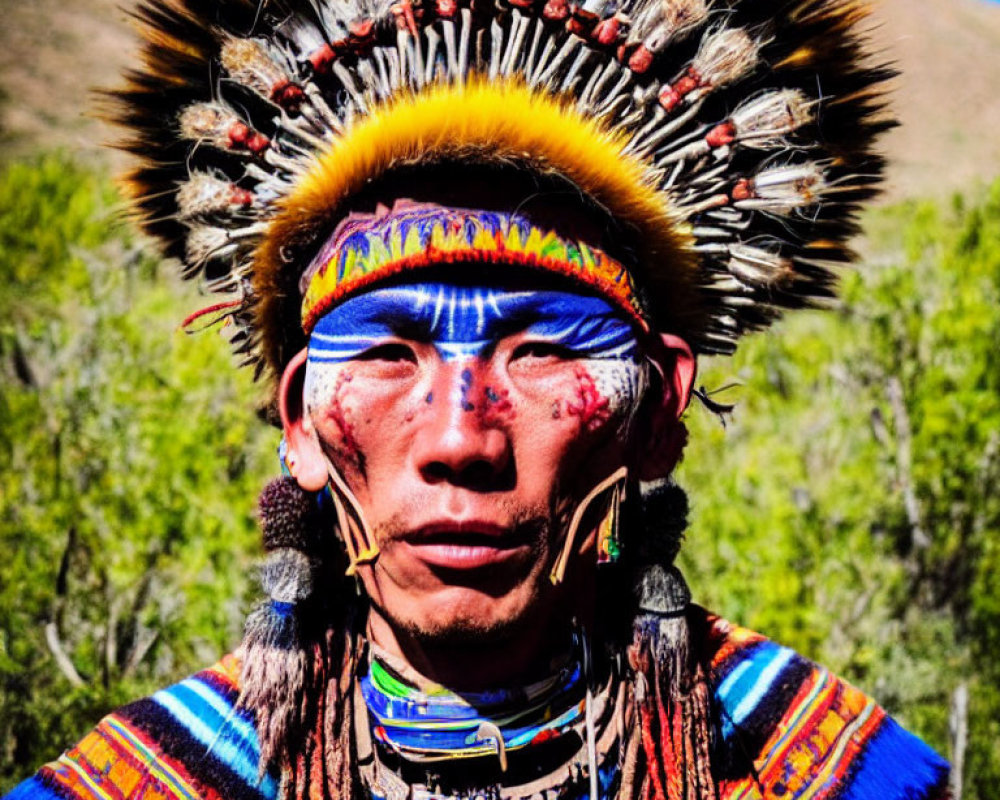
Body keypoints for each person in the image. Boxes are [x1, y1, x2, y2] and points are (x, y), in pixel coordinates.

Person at [6, 0, 950, 798]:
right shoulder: (167, 776)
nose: (460, 438)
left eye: (542, 351)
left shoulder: (807, 764)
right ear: (298, 422)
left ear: (659, 413)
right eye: (384, 353)